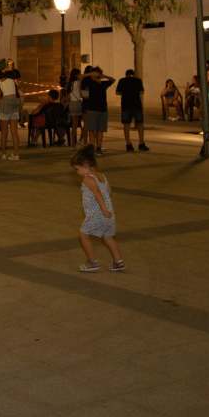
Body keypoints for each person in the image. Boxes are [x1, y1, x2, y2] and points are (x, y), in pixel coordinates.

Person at [72, 145, 125, 273]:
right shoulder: (101, 176)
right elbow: (108, 192)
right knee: (108, 237)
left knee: (83, 234)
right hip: (109, 213)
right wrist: (108, 210)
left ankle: (92, 262)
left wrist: (103, 210)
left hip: (98, 213)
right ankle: (118, 262)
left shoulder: (88, 179)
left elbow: (98, 195)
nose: (77, 172)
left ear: (85, 165)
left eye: (77, 169)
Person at [82, 67, 115, 153]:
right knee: (95, 130)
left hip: (97, 109)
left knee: (97, 130)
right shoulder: (91, 82)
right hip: (96, 109)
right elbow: (80, 77)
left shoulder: (101, 83)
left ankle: (97, 147)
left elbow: (113, 79)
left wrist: (100, 75)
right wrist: (92, 74)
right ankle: (95, 148)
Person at [116, 69, 149, 152]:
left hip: (126, 105)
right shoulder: (138, 80)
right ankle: (141, 143)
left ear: (126, 74)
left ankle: (128, 144)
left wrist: (126, 92)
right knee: (140, 124)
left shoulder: (122, 80)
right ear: (133, 74)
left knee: (126, 125)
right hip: (137, 105)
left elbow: (118, 92)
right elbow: (141, 91)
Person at [0, 69, 22, 160]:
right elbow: (20, 95)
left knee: (4, 132)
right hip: (15, 104)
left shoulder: (0, 82)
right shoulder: (15, 82)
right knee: (14, 132)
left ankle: (3, 154)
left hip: (5, 104)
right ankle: (16, 154)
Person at [65, 68, 83, 145]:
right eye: (79, 74)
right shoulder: (79, 83)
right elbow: (82, 94)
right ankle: (82, 139)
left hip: (72, 104)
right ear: (76, 75)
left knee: (74, 125)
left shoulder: (69, 84)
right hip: (78, 103)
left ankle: (73, 143)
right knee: (84, 124)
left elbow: (68, 97)